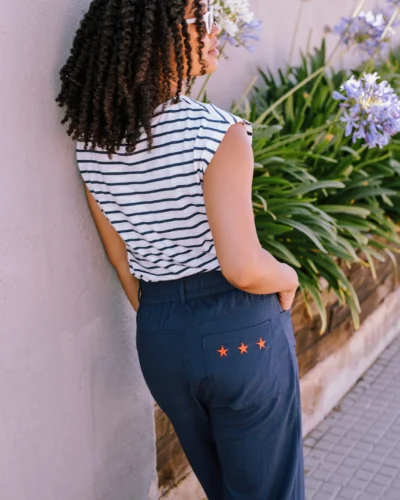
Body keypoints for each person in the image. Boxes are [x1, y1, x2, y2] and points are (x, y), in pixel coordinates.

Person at [57, 0, 305, 498]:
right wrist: (288, 276)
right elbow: (242, 267)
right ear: (160, 38)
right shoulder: (218, 133)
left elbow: (121, 259)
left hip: (160, 336)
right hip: (239, 329)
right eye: (204, 21)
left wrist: (168, 320)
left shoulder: (93, 142)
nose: (217, 33)